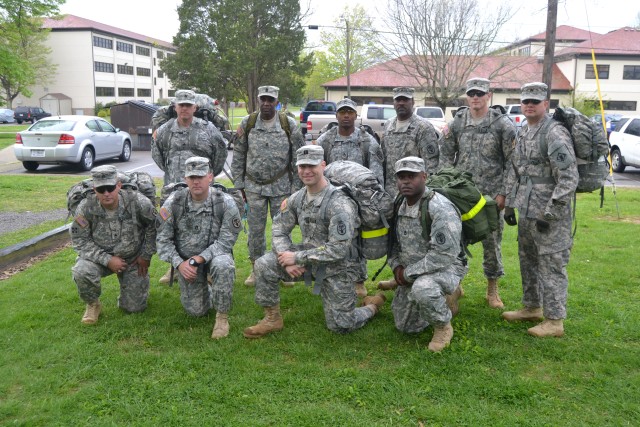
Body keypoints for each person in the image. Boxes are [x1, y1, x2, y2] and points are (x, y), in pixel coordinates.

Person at [243, 145, 386, 338]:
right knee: (264, 264)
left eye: (312, 165)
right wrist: (286, 258)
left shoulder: (340, 203)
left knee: (341, 325)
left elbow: (338, 250)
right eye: (302, 166)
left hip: (339, 266)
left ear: (323, 165)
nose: (306, 171)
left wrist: (297, 258)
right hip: (308, 258)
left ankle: (372, 306)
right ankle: (272, 319)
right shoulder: (298, 198)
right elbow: (278, 229)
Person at [502, 82, 578, 337]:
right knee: (528, 260)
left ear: (546, 103)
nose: (530, 105)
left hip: (548, 215)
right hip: (526, 209)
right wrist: (511, 205)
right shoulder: (523, 131)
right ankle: (532, 307)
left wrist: (551, 213)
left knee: (551, 263)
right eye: (526, 101)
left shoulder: (554, 133)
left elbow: (568, 178)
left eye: (535, 101)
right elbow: (516, 170)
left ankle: (555, 321)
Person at [439, 77, 516, 308]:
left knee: (492, 243)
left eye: (480, 94)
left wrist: (504, 193)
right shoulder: (458, 122)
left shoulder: (502, 124)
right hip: (462, 195)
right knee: (457, 241)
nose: (475, 98)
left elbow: (512, 162)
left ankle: (492, 290)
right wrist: (447, 183)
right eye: (471, 93)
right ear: (466, 96)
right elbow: (445, 152)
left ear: (488, 96)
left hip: (491, 196)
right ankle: (456, 284)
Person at [387, 157, 468, 352]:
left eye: (412, 176)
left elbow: (443, 256)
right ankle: (447, 296)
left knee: (423, 289)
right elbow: (392, 244)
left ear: (424, 177)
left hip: (446, 267)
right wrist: (396, 266)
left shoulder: (440, 208)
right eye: (401, 177)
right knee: (406, 327)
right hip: (413, 268)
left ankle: (443, 327)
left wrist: (406, 274)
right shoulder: (398, 204)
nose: (406, 181)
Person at [156, 157, 242, 339]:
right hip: (186, 263)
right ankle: (208, 287)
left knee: (223, 265)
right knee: (196, 312)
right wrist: (180, 264)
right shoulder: (174, 202)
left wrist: (198, 259)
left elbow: (226, 242)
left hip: (214, 256)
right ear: (185, 178)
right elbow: (162, 241)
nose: (196, 181)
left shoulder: (225, 202)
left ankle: (222, 318)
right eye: (192, 177)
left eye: (200, 176)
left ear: (210, 177)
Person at [230, 85, 305, 287]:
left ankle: (281, 269)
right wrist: (239, 185)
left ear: (276, 101)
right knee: (255, 231)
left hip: (281, 187)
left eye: (270, 100)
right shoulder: (249, 123)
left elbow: (298, 157)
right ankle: (256, 268)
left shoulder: (288, 124)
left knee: (281, 230)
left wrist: (296, 190)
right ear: (258, 100)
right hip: (253, 187)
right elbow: (238, 155)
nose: (266, 103)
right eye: (263, 99)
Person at [152, 89, 228, 284]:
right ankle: (175, 268)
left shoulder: (208, 128)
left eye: (188, 105)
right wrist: (173, 174)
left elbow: (220, 154)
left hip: (201, 188)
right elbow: (158, 156)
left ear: (195, 107)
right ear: (175, 107)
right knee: (173, 228)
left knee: (207, 226)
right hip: (173, 190)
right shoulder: (165, 130)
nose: (184, 108)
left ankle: (208, 267)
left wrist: (208, 177)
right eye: (181, 105)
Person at [70, 165, 157, 325]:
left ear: (118, 185)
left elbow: (155, 225)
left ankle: (134, 288)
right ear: (95, 189)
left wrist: (146, 255)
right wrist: (107, 260)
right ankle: (93, 304)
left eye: (110, 188)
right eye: (101, 189)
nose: (106, 193)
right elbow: (79, 240)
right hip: (99, 260)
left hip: (133, 259)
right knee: (82, 270)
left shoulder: (137, 201)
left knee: (134, 308)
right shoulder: (85, 207)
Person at [316, 98, 385, 298]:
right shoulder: (325, 140)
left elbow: (376, 172)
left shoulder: (366, 141)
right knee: (332, 238)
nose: (346, 116)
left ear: (356, 115)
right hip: (330, 199)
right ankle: (331, 277)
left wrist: (373, 198)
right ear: (336, 115)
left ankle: (359, 281)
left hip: (359, 199)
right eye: (342, 112)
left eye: (350, 112)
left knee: (357, 240)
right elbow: (316, 168)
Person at [378, 87, 440, 290]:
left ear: (412, 101)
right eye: (397, 100)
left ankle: (424, 276)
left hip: (416, 194)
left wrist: (426, 194)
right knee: (397, 236)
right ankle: (399, 274)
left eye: (405, 100)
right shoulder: (388, 126)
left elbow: (431, 165)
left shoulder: (423, 128)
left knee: (419, 236)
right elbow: (384, 159)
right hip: (392, 192)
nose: (401, 103)